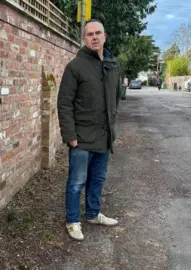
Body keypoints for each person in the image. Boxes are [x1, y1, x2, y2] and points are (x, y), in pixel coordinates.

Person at [57, 19, 120, 241]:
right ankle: (73, 221)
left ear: (105, 36)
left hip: (104, 138)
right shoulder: (75, 67)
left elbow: (115, 99)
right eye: (90, 34)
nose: (94, 37)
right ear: (84, 38)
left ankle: (93, 214)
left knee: (98, 180)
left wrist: (112, 129)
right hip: (82, 139)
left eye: (98, 33)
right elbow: (64, 103)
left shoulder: (112, 65)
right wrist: (70, 136)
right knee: (76, 182)